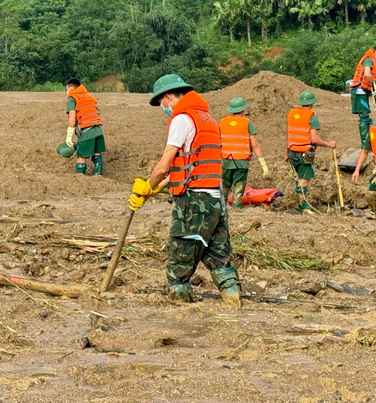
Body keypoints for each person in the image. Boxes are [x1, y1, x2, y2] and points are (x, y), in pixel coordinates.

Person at [128, 74, 241, 307]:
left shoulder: (182, 119)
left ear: (168, 97)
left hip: (194, 201)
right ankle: (234, 303)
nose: (162, 108)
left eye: (161, 103)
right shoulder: (207, 118)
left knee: (180, 261)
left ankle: (180, 315)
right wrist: (154, 190)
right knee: (219, 256)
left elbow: (164, 165)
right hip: (215, 200)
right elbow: (187, 167)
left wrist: (147, 186)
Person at [286, 90, 336, 213]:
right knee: (304, 180)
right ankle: (303, 207)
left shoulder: (291, 114)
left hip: (292, 152)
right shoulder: (312, 116)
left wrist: (286, 153)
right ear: (312, 103)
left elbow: (289, 135)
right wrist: (328, 144)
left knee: (299, 178)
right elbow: (314, 139)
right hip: (304, 153)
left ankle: (299, 203)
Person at [219, 97, 270, 210]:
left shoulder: (223, 122)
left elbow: (218, 141)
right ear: (243, 110)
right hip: (241, 161)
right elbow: (255, 145)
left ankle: (221, 207)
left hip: (226, 160)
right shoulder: (247, 122)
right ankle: (236, 208)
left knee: (225, 184)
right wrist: (263, 164)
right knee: (239, 185)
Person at [65, 78, 106, 175]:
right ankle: (98, 176)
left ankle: (80, 178)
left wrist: (69, 136)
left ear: (71, 88)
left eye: (66, 89)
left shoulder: (72, 98)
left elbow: (72, 116)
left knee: (81, 157)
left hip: (86, 130)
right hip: (98, 129)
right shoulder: (89, 96)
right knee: (97, 155)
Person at [350, 44, 376, 147]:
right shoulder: (369, 60)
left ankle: (367, 143)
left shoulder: (372, 60)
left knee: (366, 116)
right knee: (364, 117)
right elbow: (367, 74)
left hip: (362, 92)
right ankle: (365, 145)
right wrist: (373, 84)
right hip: (359, 91)